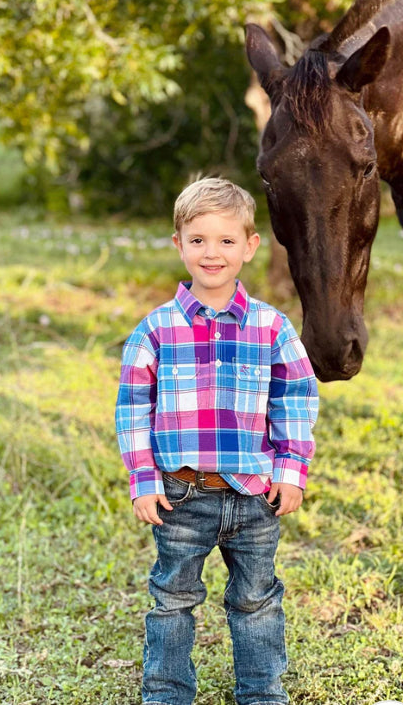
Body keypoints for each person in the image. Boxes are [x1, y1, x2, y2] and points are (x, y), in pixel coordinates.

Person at [115, 175, 319, 705]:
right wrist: (142, 480)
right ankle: (166, 693)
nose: (212, 253)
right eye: (199, 239)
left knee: (256, 601)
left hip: (256, 495)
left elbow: (294, 399)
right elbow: (132, 409)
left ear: (250, 247)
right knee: (172, 600)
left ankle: (261, 694)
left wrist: (292, 469)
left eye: (226, 240)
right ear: (178, 243)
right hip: (180, 496)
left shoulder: (272, 327)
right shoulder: (156, 330)